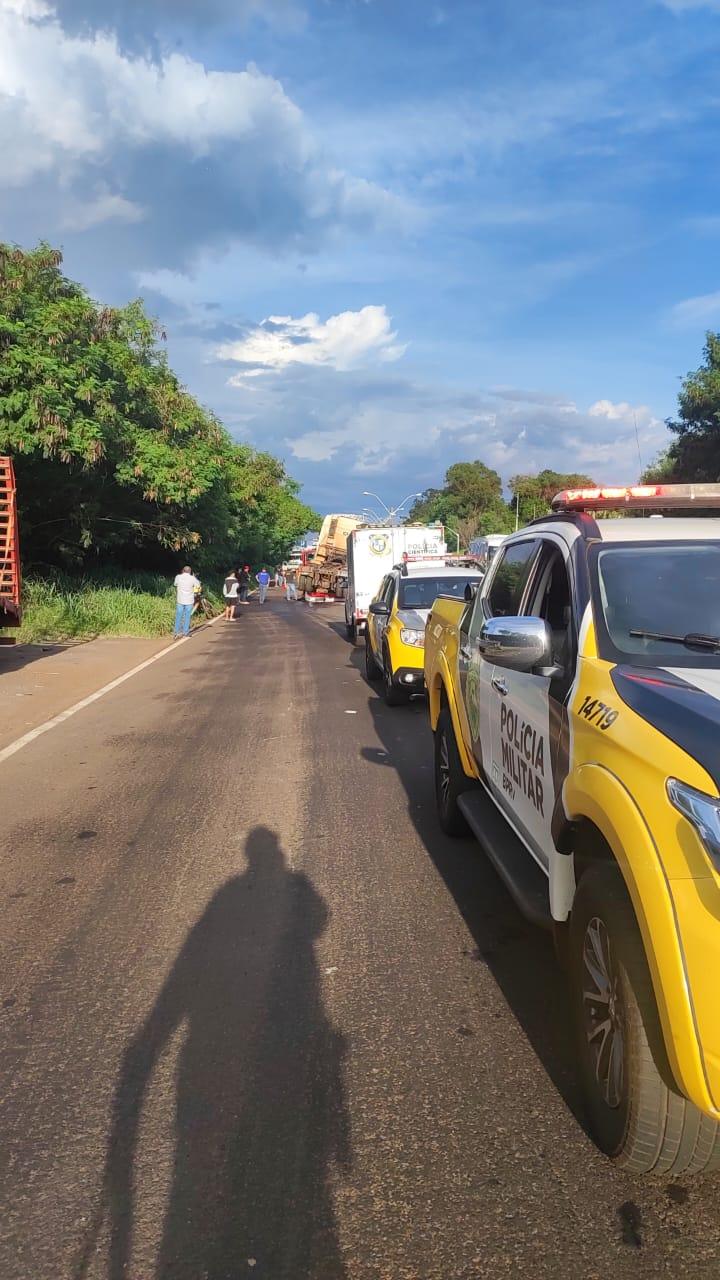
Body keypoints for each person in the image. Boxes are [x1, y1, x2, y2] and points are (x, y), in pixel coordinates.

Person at [173, 565, 200, 638]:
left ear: (183, 570)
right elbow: (198, 585)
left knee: (178, 616)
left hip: (180, 599)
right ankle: (185, 632)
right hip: (189, 600)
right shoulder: (192, 578)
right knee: (187, 616)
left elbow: (175, 584)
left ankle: (176, 632)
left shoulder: (178, 577)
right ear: (190, 571)